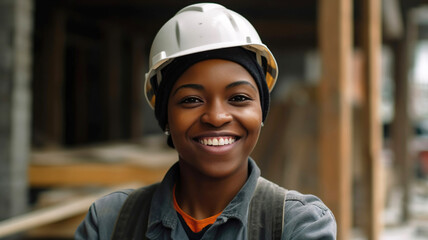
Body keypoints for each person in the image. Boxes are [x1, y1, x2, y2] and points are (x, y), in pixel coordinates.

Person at [75, 3, 336, 240]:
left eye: (239, 97)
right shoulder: (110, 223)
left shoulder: (299, 224)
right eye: (191, 100)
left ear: (261, 112)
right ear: (165, 116)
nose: (216, 117)